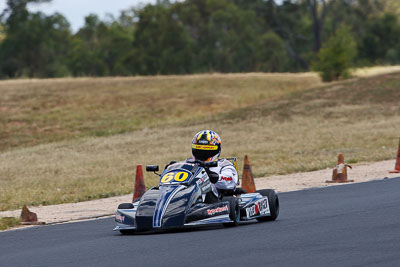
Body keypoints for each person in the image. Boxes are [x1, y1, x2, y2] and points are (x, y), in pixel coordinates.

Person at [191, 130, 239, 202]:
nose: (203, 154)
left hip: (212, 202)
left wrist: (214, 177)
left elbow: (231, 181)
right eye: (199, 151)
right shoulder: (189, 164)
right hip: (188, 198)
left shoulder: (224, 165)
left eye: (207, 151)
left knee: (205, 181)